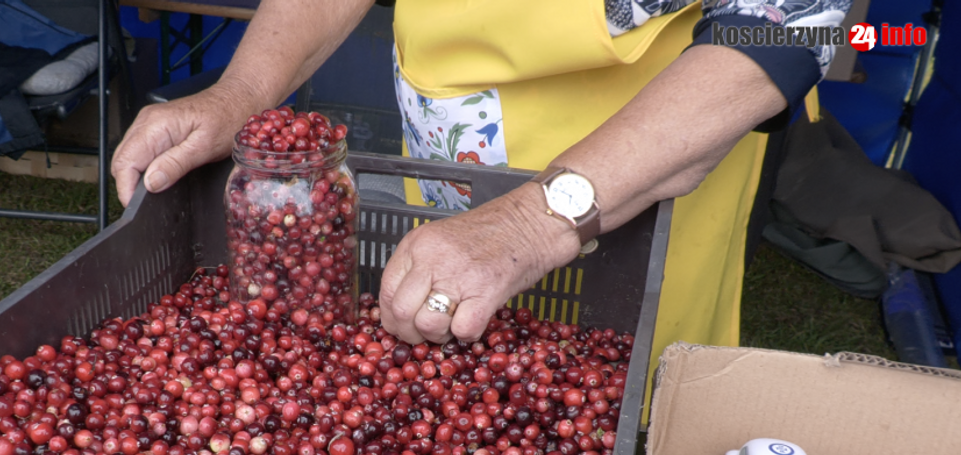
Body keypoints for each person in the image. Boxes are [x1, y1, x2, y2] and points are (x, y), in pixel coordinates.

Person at [112, 0, 849, 355]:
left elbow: (786, 28)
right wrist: (239, 93)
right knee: (439, 371)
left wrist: (535, 220)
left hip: (641, 165)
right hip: (451, 151)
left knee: (604, 411)